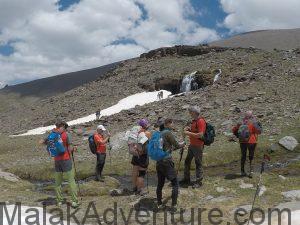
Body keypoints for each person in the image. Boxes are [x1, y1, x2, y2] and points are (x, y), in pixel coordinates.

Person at [41, 120, 79, 208]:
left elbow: (42, 142)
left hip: (57, 160)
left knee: (58, 182)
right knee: (71, 181)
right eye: (59, 126)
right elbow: (70, 148)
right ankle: (74, 201)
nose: (58, 128)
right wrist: (74, 149)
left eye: (59, 126)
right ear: (64, 127)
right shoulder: (66, 135)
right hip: (66, 160)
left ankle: (59, 201)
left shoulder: (53, 135)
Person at [156, 118, 185, 212]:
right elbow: (176, 145)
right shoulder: (167, 133)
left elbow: (166, 147)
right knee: (175, 183)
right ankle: (173, 206)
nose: (173, 125)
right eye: (172, 123)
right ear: (167, 124)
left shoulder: (158, 134)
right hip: (167, 161)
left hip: (159, 161)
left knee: (160, 184)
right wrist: (183, 144)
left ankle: (159, 203)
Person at [180, 106, 206, 188]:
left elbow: (200, 134)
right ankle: (186, 179)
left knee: (198, 163)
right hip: (192, 145)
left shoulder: (201, 121)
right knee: (187, 161)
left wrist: (188, 133)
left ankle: (198, 182)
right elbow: (195, 132)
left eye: (191, 112)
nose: (190, 113)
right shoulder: (194, 121)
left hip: (198, 145)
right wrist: (189, 130)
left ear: (195, 113)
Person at [232, 111, 262, 178]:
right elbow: (259, 131)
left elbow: (234, 130)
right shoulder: (253, 123)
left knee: (243, 156)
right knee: (251, 156)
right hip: (252, 141)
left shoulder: (240, 123)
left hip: (242, 142)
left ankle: (242, 171)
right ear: (251, 116)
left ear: (245, 116)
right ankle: (251, 172)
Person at [131, 119, 151, 195]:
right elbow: (150, 142)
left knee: (135, 170)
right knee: (142, 173)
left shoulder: (136, 133)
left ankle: (134, 187)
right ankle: (140, 190)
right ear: (145, 125)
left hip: (136, 154)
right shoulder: (147, 133)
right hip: (143, 155)